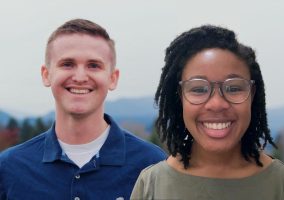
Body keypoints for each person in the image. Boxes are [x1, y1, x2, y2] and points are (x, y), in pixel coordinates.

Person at [0, 18, 166, 200]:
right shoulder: (9, 168)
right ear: (46, 75)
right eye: (67, 64)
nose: (80, 77)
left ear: (113, 78)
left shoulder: (151, 164)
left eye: (93, 65)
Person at [130, 25, 284, 200]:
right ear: (180, 97)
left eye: (233, 88)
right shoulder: (151, 185)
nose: (217, 104)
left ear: (252, 94)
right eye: (198, 89)